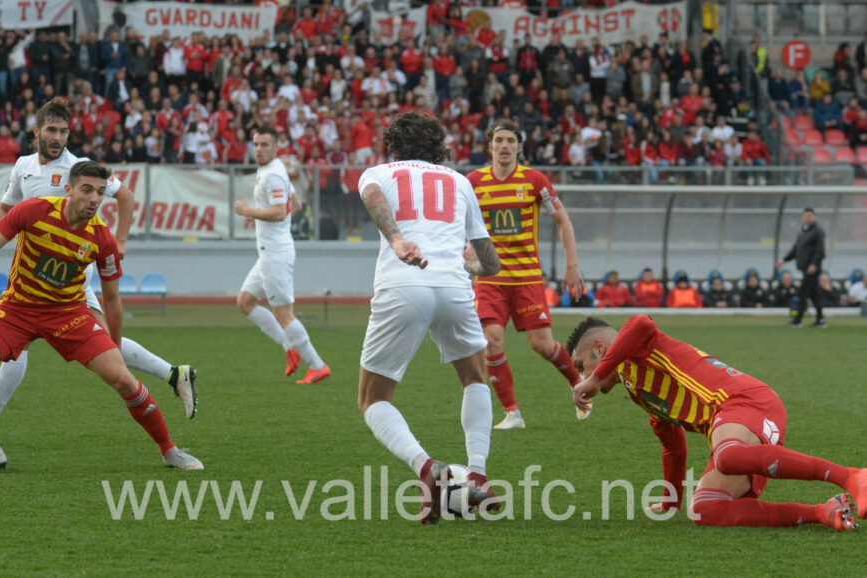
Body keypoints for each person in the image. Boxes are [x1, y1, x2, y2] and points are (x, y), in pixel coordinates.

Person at [0, 100, 197, 440]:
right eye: (52, 130)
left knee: (76, 346)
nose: (58, 137)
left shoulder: (79, 168)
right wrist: (0, 233)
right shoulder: (23, 166)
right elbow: (7, 205)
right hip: (34, 275)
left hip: (70, 279)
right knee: (49, 345)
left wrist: (120, 240)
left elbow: (126, 196)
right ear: (38, 131)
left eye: (63, 131)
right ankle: (174, 373)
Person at [569, 316, 865, 530]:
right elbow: (673, 447)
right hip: (735, 429)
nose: (583, 376)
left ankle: (851, 476)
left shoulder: (637, 346)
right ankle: (822, 511)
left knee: (727, 455)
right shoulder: (637, 388)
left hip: (747, 401)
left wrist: (595, 378)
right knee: (705, 509)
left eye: (583, 365)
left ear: (600, 346)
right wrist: (671, 501)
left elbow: (640, 323)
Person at [357, 112, 501, 524]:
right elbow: (489, 262)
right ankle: (478, 475)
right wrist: (470, 264)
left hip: (404, 284)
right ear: (439, 148)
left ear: (394, 148)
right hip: (455, 289)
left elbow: (372, 196)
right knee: (475, 379)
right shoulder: (460, 181)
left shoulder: (379, 171)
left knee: (372, 399)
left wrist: (398, 237)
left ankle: (427, 469)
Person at [466, 119, 585, 429]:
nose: (504, 146)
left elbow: (563, 221)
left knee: (542, 345)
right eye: (499, 141)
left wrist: (572, 266)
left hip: (527, 278)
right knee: (491, 342)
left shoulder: (534, 180)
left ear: (519, 147)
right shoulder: (474, 182)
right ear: (489, 146)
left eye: (510, 141)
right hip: (490, 279)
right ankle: (512, 413)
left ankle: (578, 382)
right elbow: (458, 224)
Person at [234, 127, 330, 385]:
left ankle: (317, 365)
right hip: (269, 251)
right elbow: (295, 205)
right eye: (256, 144)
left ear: (275, 147)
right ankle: (290, 347)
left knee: (284, 313)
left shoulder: (273, 175)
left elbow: (279, 212)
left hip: (275, 253)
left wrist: (248, 210)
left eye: (265, 144)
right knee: (245, 302)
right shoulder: (274, 170)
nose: (259, 149)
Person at [777, 208, 826, 328]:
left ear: (814, 217)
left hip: (811, 270)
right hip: (804, 269)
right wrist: (784, 260)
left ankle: (797, 320)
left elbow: (820, 251)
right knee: (814, 295)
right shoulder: (802, 232)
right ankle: (820, 320)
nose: (807, 218)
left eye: (809, 216)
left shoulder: (818, 232)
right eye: (805, 216)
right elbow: (796, 249)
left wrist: (813, 264)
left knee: (803, 294)